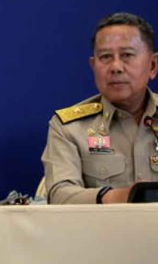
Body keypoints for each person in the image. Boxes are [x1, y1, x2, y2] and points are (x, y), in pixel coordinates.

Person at [42, 12, 158, 204]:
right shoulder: (69, 128)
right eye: (105, 57)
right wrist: (114, 197)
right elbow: (60, 195)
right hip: (100, 232)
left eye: (127, 55)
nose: (116, 67)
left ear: (153, 65)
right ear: (93, 66)